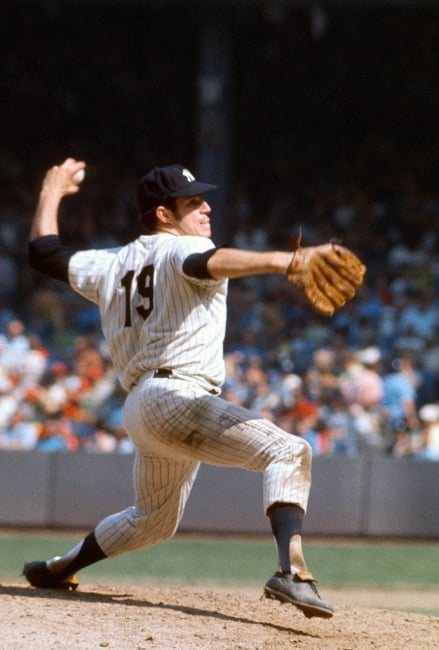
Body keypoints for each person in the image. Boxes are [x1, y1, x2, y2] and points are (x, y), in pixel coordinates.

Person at [23, 157, 334, 619]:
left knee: (154, 521)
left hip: (142, 408)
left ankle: (57, 567)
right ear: (164, 214)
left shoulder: (110, 263)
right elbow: (210, 260)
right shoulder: (179, 250)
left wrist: (51, 193)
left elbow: (45, 254)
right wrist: (285, 260)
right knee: (288, 452)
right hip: (177, 397)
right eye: (192, 202)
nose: (206, 208)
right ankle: (290, 573)